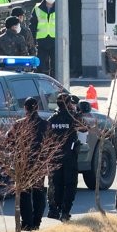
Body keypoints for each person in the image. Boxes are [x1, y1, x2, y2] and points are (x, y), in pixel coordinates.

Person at [12, 97, 48, 231]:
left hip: (24, 164)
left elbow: (9, 141)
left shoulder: (19, 124)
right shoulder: (45, 125)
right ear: (37, 108)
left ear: (25, 108)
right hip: (39, 163)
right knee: (39, 192)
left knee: (24, 193)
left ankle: (27, 223)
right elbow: (52, 144)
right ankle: (37, 222)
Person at [47, 94, 81, 222]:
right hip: (69, 157)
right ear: (68, 104)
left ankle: (56, 209)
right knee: (70, 184)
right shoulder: (73, 117)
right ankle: (65, 212)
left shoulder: (52, 119)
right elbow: (84, 128)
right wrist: (77, 111)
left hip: (55, 157)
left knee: (57, 184)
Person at [29, 0, 57, 77]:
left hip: (55, 39)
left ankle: (54, 82)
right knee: (40, 65)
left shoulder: (60, 6)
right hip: (41, 40)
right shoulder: (37, 8)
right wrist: (32, 40)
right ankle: (41, 82)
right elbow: (32, 25)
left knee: (55, 65)